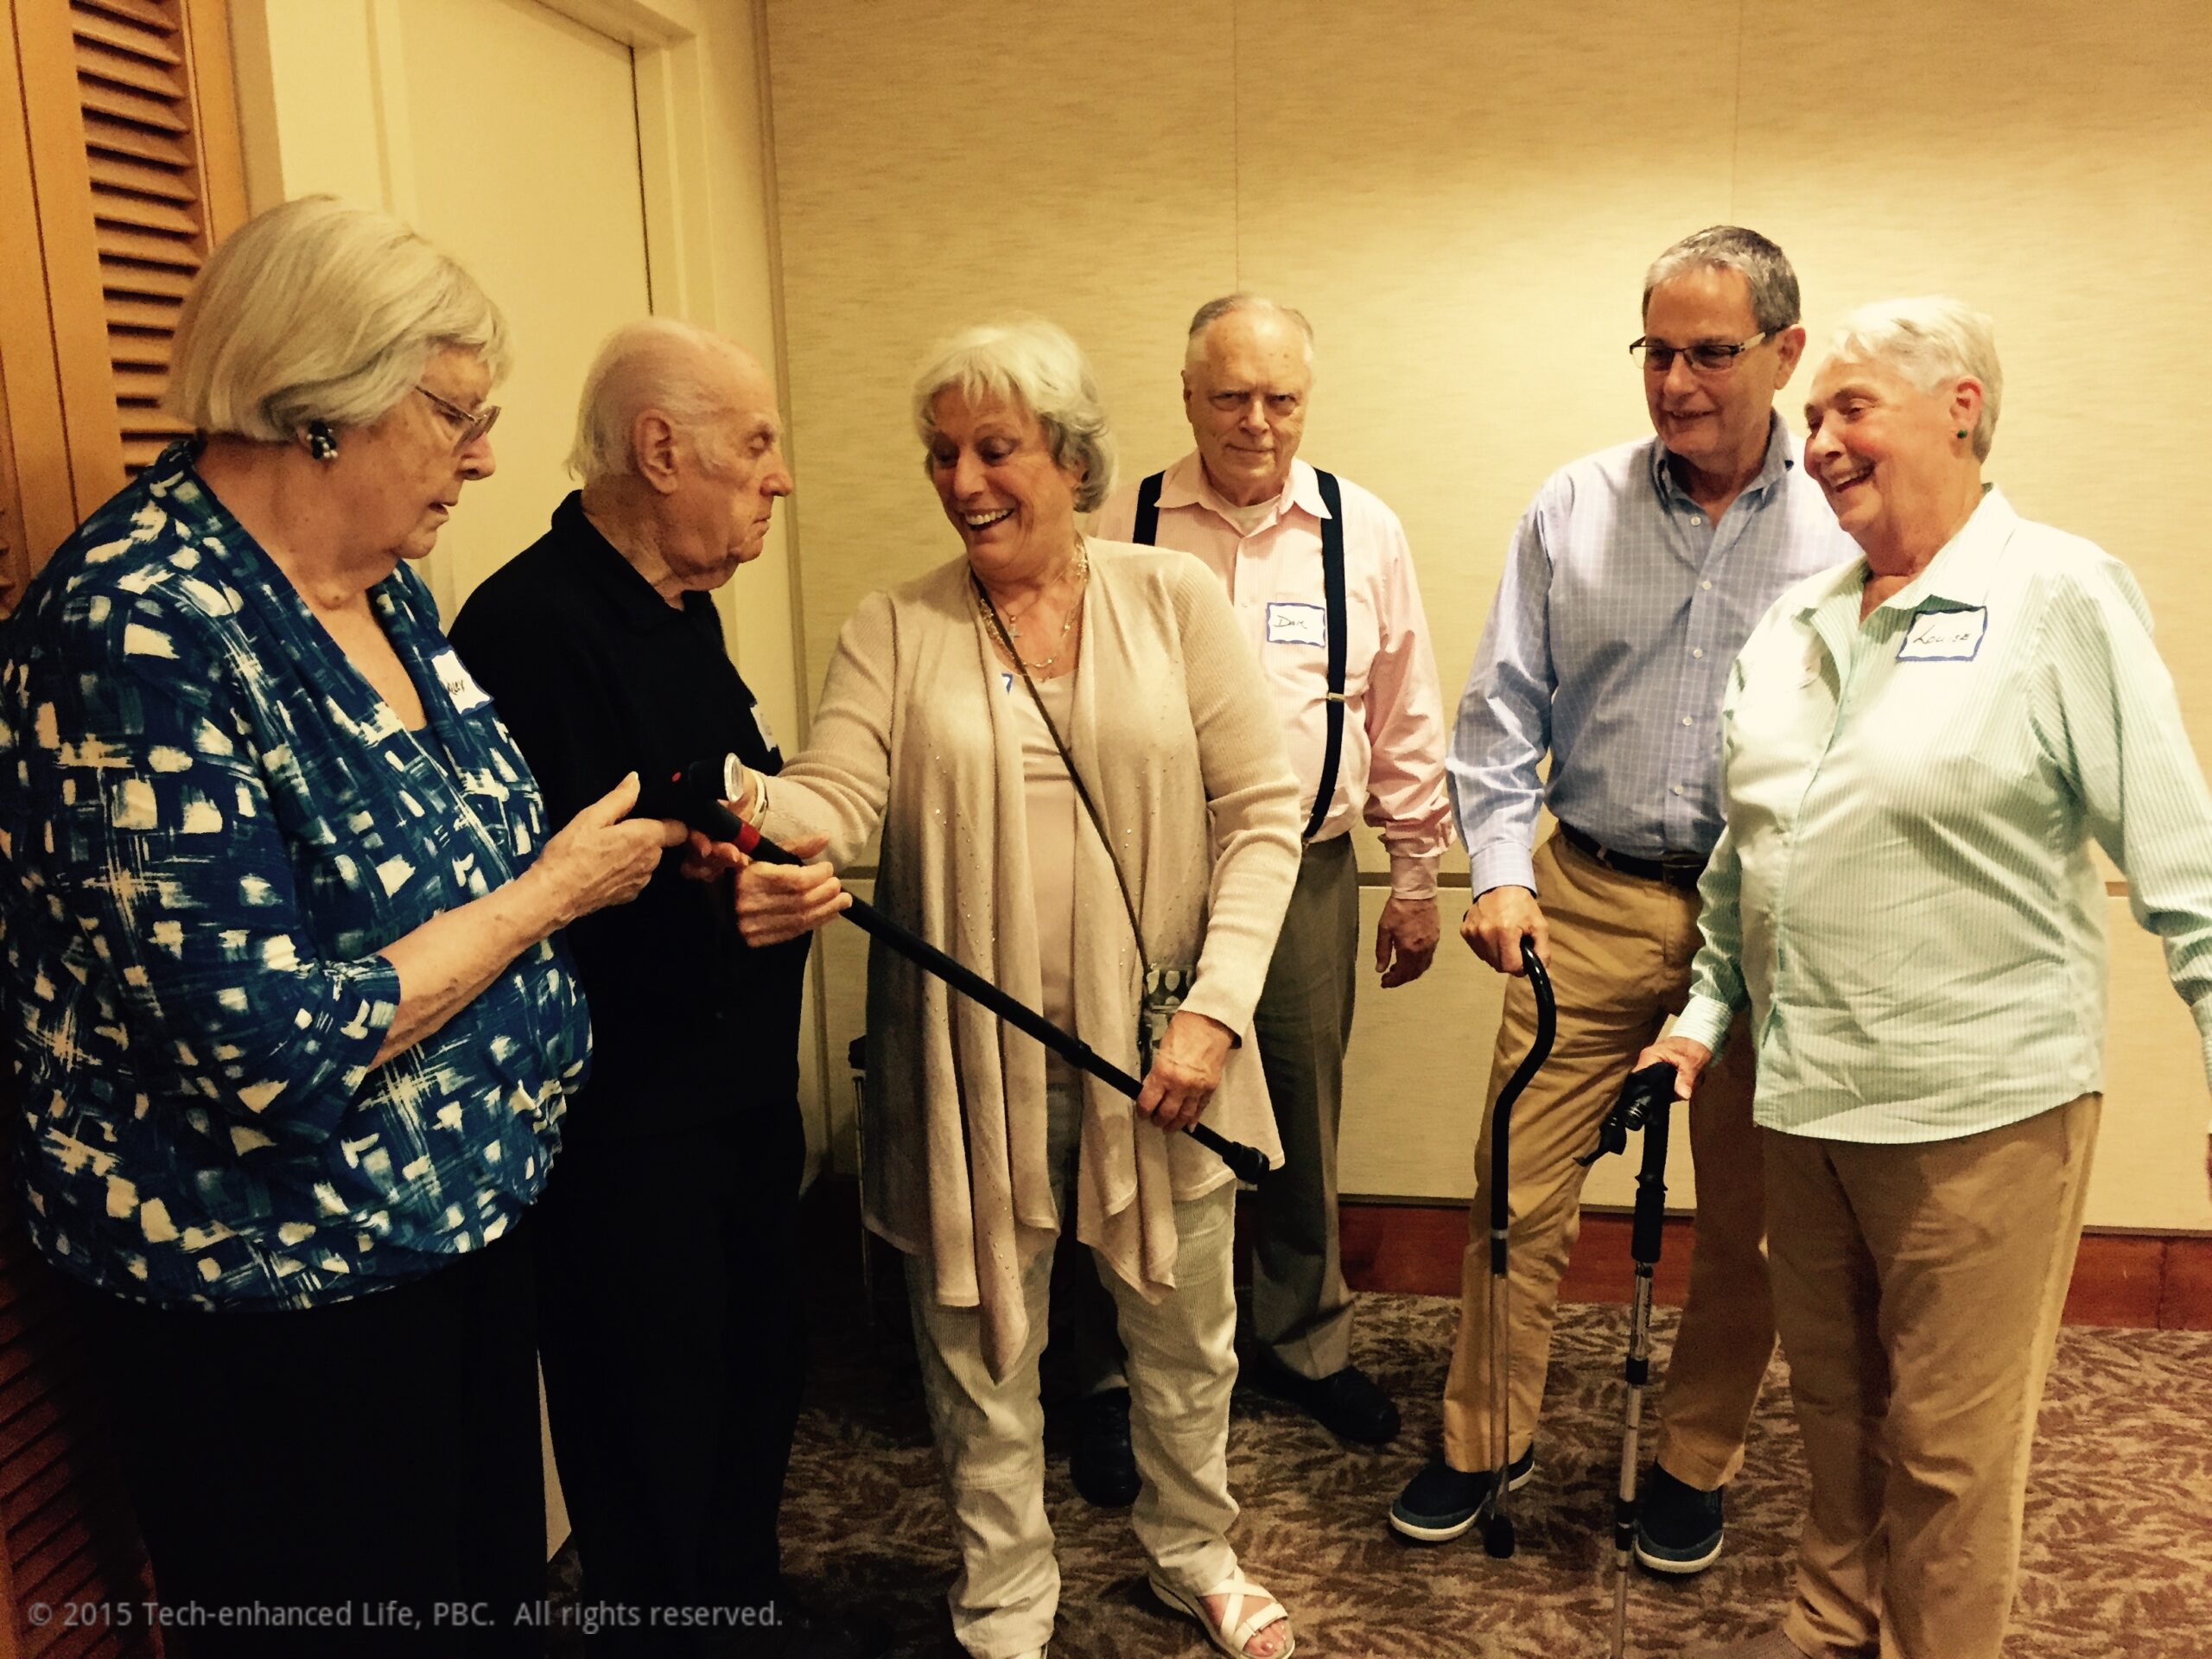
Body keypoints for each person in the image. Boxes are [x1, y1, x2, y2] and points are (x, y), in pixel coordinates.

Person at [0, 197, 682, 1657]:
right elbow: (267, 1041)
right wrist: (547, 898)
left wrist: (538, 884)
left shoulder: (392, 595)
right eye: (455, 414)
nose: (486, 456)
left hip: (457, 1235)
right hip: (276, 1301)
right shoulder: (137, 632)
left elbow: (455, 861)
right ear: (319, 404)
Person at [728, 320, 1301, 1659]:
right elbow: (837, 790)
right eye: (944, 454)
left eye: (997, 447)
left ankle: (1192, 1550)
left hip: (1167, 1051)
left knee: (1187, 1335)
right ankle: (1003, 1595)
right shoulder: (896, 625)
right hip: (968, 1064)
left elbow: (1263, 816)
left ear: (1072, 459)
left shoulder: (1174, 599)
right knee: (982, 1347)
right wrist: (762, 810)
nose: (966, 478)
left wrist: (1215, 1010)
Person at [1649, 298, 2212, 1659]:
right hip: (1805, 1100)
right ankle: (1828, 1631)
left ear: (1960, 407)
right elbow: (1749, 856)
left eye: (1851, 409)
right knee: (1835, 1427)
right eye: (1815, 419)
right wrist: (1706, 1014)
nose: (1821, 441)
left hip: (1982, 1114)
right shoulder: (1796, 622)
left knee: (1951, 1460)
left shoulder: (2058, 596)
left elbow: (2188, 875)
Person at [1389, 226, 1855, 1569]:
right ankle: (1485, 1440)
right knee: (1510, 1191)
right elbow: (1498, 715)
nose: (1679, 381)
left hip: (1766, 924)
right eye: (1657, 350)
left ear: (1785, 351)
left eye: (1713, 352)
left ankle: (1695, 1460)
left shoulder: (1842, 523)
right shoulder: (1573, 504)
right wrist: (1491, 870)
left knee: (1753, 1220)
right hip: (1582, 898)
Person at [447, 321, 879, 1656]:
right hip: (622, 1126)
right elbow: (574, 897)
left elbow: (725, 814)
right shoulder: (530, 626)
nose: (779, 477)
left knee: (756, 1375)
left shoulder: (680, 613)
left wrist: (784, 871)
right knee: (650, 1416)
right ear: (659, 447)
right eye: (754, 444)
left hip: (732, 1098)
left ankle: (738, 1601)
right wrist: (721, 888)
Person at [1086, 294, 1453, 1463]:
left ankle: (1303, 1346)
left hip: (1302, 872)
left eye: (1279, 398)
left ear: (1307, 399)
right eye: (1229, 396)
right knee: (1124, 1108)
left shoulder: (1365, 532)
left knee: (1298, 1114)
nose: (1255, 422)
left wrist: (1413, 874)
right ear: (1186, 396)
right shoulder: (1120, 520)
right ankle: (1110, 1364)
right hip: (1140, 873)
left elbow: (1404, 711)